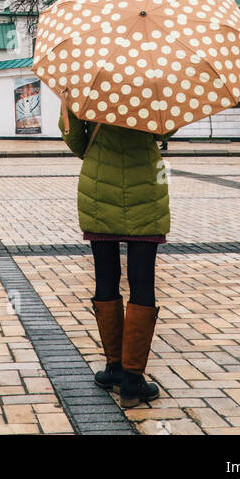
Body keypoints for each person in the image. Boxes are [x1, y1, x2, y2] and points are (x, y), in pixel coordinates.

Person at [59, 108, 170, 408]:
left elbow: (75, 140)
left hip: (99, 190)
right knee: (143, 280)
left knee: (106, 277)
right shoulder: (155, 80)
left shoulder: (87, 83)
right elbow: (164, 131)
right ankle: (133, 381)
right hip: (145, 190)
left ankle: (114, 368)